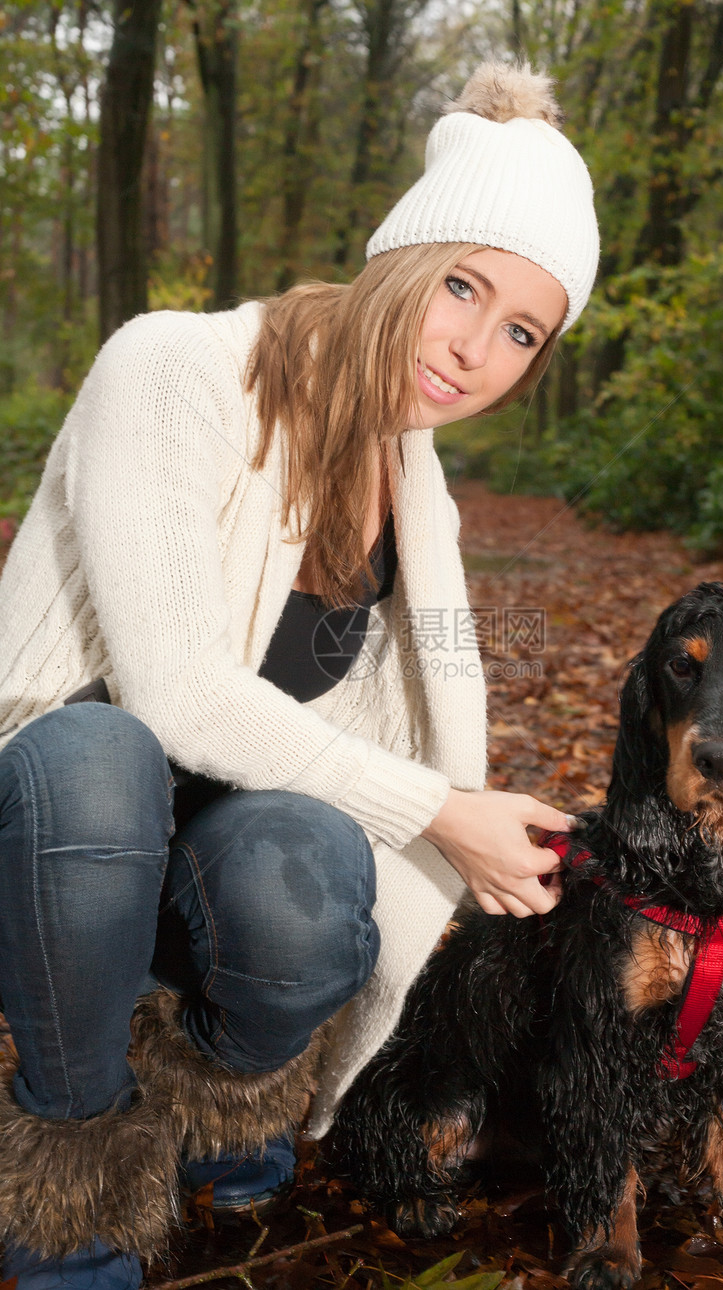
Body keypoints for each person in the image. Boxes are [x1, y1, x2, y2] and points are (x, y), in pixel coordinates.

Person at [0, 60, 599, 1289]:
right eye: (463, 287)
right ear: (400, 257)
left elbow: (448, 669)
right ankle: (75, 1192)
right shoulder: (172, 370)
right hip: (52, 833)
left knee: (317, 870)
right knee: (102, 754)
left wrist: (543, 826)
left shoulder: (410, 483)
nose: (474, 348)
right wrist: (442, 814)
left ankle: (219, 1099)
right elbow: (174, 690)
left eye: (521, 331)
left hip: (198, 856)